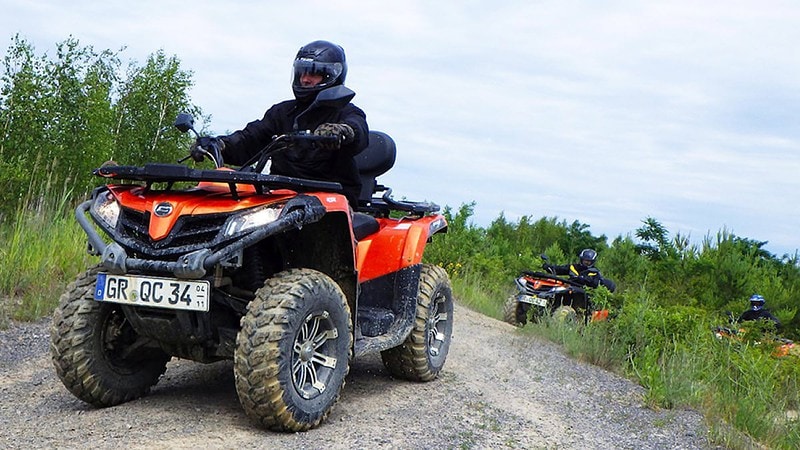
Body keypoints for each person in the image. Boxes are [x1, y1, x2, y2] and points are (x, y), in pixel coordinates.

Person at [193, 40, 370, 208]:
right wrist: (220, 144)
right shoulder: (282, 112)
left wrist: (343, 132)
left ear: (331, 76)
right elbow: (251, 138)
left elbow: (358, 130)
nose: (305, 79)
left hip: (331, 200)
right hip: (281, 199)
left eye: (313, 73)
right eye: (302, 72)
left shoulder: (346, 112)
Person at [544, 248, 616, 292]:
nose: (586, 262)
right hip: (568, 288)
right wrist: (549, 267)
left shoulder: (595, 273)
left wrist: (585, 280)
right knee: (552, 284)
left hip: (582, 293)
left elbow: (595, 283)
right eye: (585, 260)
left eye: (589, 261)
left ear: (592, 262)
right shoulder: (573, 267)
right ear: (581, 259)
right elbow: (560, 269)